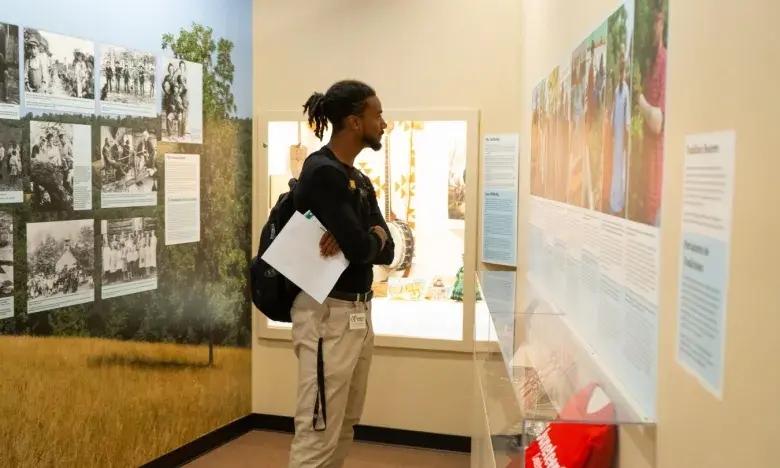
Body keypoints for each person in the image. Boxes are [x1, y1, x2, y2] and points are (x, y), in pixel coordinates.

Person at [288, 80, 394, 468]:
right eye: (377, 114)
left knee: (345, 425)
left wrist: (372, 235)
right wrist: (368, 237)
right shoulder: (321, 172)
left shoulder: (359, 181)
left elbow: (385, 249)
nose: (383, 122)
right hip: (325, 315)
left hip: (358, 315)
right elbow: (361, 246)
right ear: (353, 121)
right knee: (318, 431)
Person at [638, 1, 667, 226]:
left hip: (658, 196)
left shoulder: (666, 63)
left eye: (657, 22)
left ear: (662, 23)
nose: (653, 28)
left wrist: (640, 102)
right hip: (646, 192)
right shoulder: (649, 70)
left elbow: (657, 122)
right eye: (651, 22)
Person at [609, 49, 630, 214]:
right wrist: (612, 130)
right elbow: (613, 111)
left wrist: (627, 132)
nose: (622, 74)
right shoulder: (617, 90)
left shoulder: (626, 90)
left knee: (621, 167)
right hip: (617, 134)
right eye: (620, 71)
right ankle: (614, 200)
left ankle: (619, 202)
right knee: (615, 166)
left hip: (622, 135)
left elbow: (627, 115)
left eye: (623, 71)